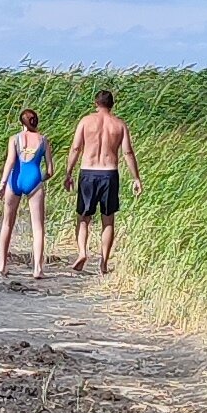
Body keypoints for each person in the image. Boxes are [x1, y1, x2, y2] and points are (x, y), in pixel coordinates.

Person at [69, 86, 138, 273]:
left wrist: (68, 173)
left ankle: (82, 252)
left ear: (96, 104)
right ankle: (104, 262)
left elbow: (76, 148)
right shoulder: (119, 125)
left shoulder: (85, 121)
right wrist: (136, 178)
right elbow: (128, 152)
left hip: (88, 172)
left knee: (83, 218)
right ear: (112, 105)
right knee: (108, 220)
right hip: (109, 173)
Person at [0, 102, 50, 279]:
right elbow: (50, 170)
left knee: (7, 223)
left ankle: (2, 263)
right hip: (34, 180)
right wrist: (38, 180)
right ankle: (37, 269)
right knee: (38, 227)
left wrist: (3, 184)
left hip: (15, 180)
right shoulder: (43, 140)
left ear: (22, 123)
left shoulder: (15, 139)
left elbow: (10, 162)